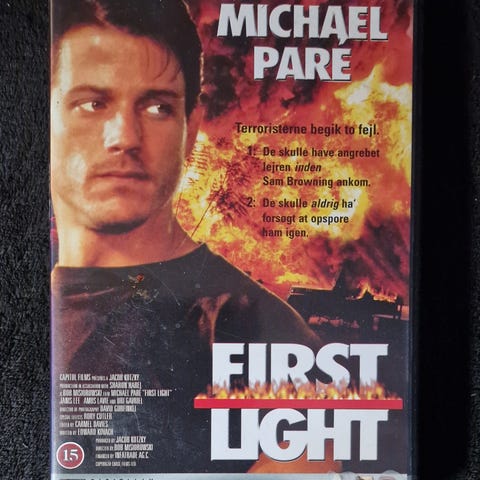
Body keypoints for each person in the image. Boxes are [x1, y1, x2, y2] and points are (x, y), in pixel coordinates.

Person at [50, 0, 337, 474]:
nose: (124, 136)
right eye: (92, 104)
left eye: (158, 107)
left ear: (191, 130)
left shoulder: (252, 328)